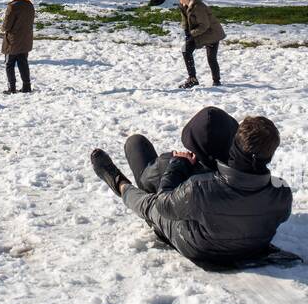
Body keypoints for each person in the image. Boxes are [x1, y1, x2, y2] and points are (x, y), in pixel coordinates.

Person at [90, 108, 293, 267]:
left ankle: (120, 184)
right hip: (253, 247)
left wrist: (178, 165)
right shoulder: (281, 192)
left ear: (236, 146)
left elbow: (163, 205)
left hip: (199, 246)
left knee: (150, 206)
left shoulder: (201, 189)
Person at [176, 0, 225, 88]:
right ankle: (193, 79)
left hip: (211, 33)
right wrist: (186, 32)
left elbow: (205, 25)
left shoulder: (198, 7)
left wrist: (191, 34)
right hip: (200, 32)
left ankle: (215, 81)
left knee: (210, 57)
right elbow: (185, 21)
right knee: (186, 50)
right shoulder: (184, 5)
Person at [0, 0, 35, 94]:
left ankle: (12, 87)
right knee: (23, 62)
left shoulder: (12, 6)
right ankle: (27, 86)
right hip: (26, 39)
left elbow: (6, 25)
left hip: (13, 41)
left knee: (9, 64)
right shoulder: (30, 5)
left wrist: (3, 28)